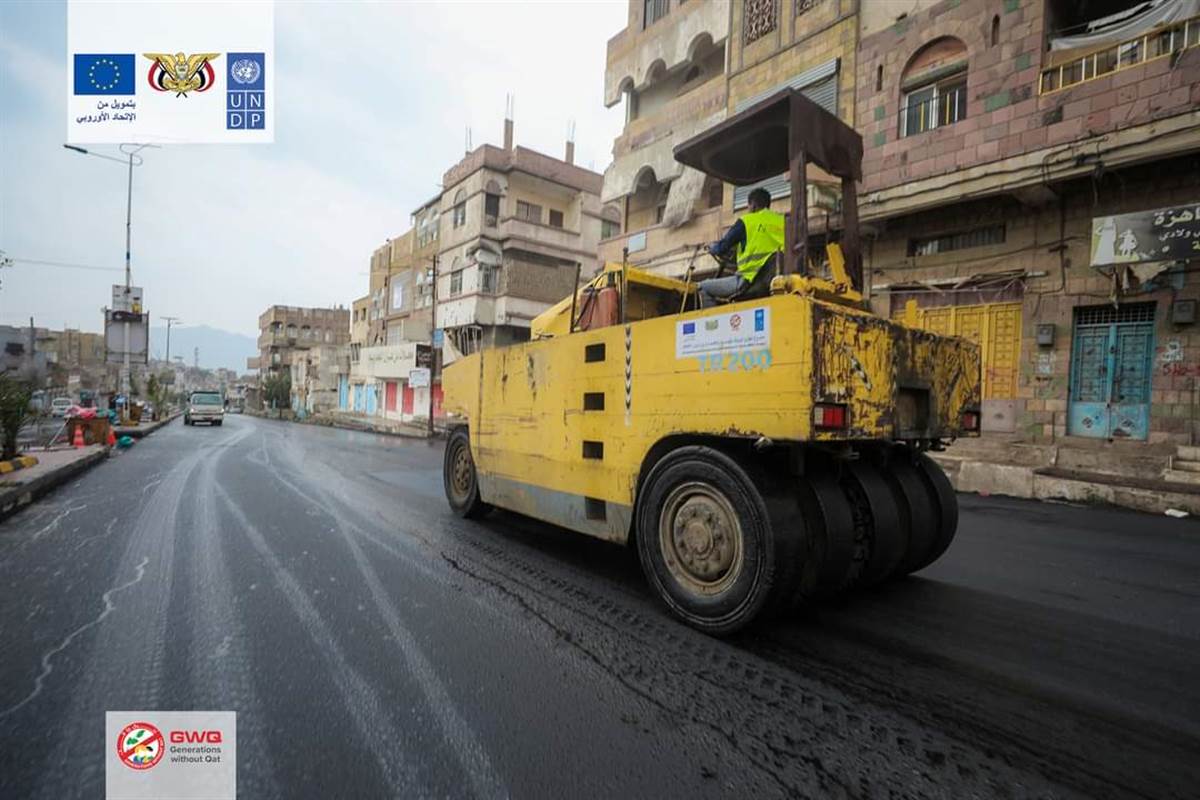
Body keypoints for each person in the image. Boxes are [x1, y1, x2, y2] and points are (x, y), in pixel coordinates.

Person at [699, 187, 785, 308]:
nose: (748, 209)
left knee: (702, 287)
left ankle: (710, 323)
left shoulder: (747, 221)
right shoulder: (782, 221)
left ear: (753, 205)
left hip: (748, 281)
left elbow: (722, 247)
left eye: (748, 206)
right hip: (774, 281)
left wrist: (712, 247)